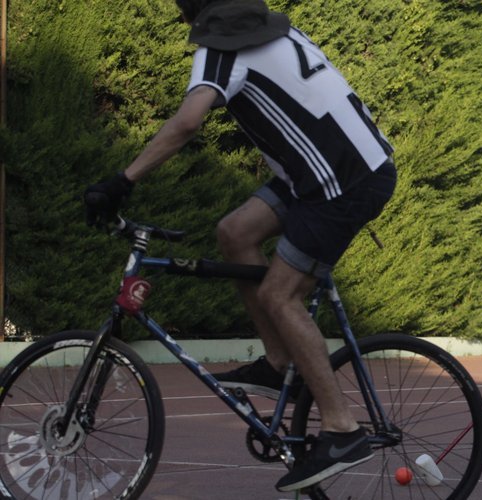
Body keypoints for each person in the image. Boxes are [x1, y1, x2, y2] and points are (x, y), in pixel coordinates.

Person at [83, 0, 395, 491]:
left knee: (279, 295)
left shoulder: (223, 47)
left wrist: (123, 180)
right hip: (325, 174)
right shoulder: (268, 32)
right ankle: (278, 363)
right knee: (235, 233)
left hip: (341, 183)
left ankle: (342, 428)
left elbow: (187, 124)